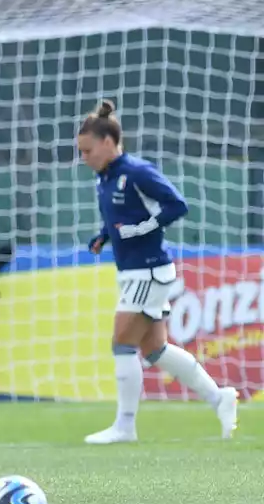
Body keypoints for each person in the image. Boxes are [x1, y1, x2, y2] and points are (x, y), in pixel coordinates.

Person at [78, 99, 238, 444]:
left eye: (88, 150)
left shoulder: (136, 172)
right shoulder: (103, 179)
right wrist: (104, 236)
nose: (84, 158)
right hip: (133, 271)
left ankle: (125, 426)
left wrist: (140, 229)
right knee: (154, 350)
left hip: (148, 271)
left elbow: (177, 204)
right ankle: (218, 397)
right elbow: (117, 219)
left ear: (108, 142)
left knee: (122, 342)